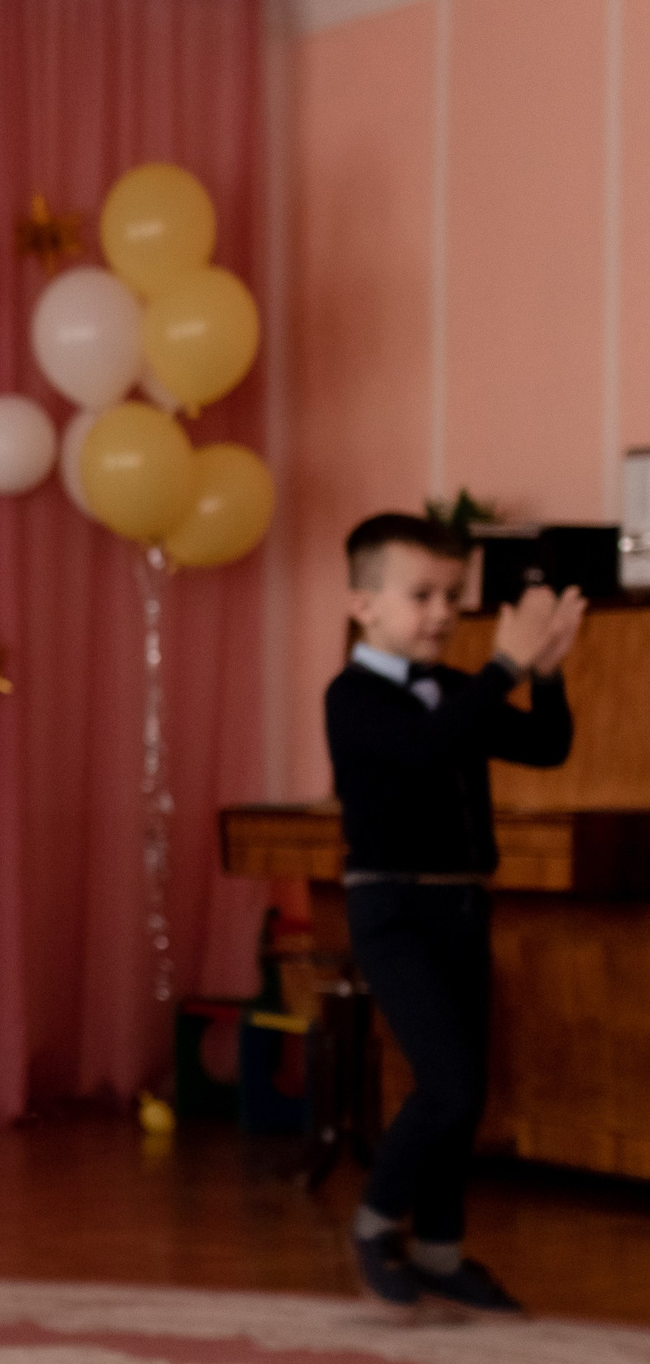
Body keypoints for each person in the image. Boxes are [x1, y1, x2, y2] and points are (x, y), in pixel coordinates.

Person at [328, 513, 583, 1315]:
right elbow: (426, 747)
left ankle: (441, 1248)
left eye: (453, 595)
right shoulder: (353, 694)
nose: (443, 611)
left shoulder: (453, 688)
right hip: (392, 905)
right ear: (363, 605)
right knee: (445, 1079)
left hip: (463, 904)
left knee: (466, 1093)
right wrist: (504, 662)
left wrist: (544, 671)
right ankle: (375, 1224)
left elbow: (546, 746)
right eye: (422, 594)